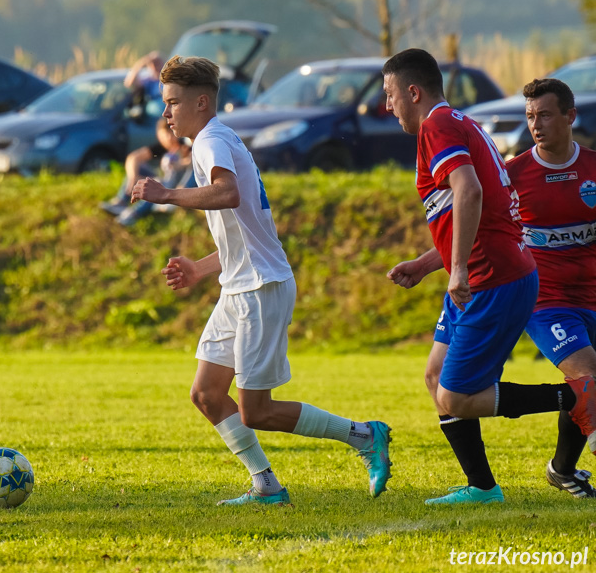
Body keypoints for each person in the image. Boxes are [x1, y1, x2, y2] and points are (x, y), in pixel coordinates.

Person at [131, 55, 392, 506]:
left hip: (260, 289)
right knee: (208, 394)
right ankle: (266, 486)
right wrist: (200, 268)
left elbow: (227, 193)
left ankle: (365, 436)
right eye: (164, 103)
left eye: (172, 103)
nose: (166, 114)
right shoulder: (217, 139)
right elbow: (246, 232)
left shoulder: (211, 140)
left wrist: (168, 194)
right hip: (241, 285)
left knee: (257, 411)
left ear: (201, 101)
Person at [382, 48, 596, 505]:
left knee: (457, 397)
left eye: (390, 94)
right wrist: (427, 264)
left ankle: (572, 401)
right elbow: (487, 209)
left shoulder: (439, 126)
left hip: (490, 276)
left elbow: (469, 190)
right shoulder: (463, 123)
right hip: (498, 274)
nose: (387, 106)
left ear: (412, 92)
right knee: (436, 376)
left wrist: (458, 268)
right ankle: (482, 487)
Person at [506, 78, 596, 498]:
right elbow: (477, 230)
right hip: (547, 302)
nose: (535, 125)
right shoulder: (513, 175)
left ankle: (562, 469)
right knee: (590, 377)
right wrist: (428, 264)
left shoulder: (594, 169)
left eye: (544, 115)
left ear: (570, 116)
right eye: (530, 117)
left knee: (587, 387)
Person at [100, 117, 193, 226]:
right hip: (164, 180)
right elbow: (133, 157)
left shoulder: (184, 146)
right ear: (159, 134)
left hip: (177, 184)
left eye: (171, 134)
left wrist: (181, 163)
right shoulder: (162, 147)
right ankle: (121, 202)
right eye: (165, 134)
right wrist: (133, 178)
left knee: (155, 186)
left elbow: (194, 161)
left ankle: (134, 214)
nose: (169, 138)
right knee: (138, 168)